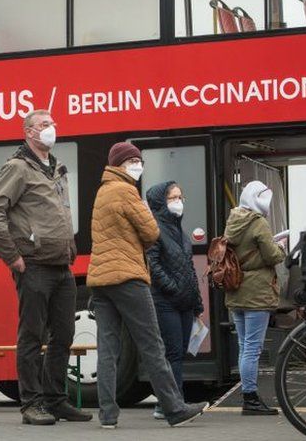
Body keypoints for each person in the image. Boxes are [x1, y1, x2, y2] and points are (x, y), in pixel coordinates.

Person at [87, 142, 208, 429]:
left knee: (107, 348)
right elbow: (152, 231)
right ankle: (174, 408)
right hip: (128, 277)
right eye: (132, 160)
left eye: (139, 160)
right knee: (153, 344)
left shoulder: (102, 191)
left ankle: (107, 415)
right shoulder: (126, 190)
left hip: (100, 280)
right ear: (119, 164)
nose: (137, 165)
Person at [0, 109, 91, 425]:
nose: (51, 129)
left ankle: (56, 400)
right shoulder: (17, 168)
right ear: (28, 132)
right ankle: (31, 403)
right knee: (32, 335)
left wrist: (70, 250)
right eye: (44, 125)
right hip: (33, 266)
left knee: (64, 334)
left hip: (60, 266)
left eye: (52, 124)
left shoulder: (55, 168)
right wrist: (14, 258)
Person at [224, 180, 285, 416]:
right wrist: (281, 247)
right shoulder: (258, 223)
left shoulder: (233, 220)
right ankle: (250, 398)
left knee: (243, 346)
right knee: (252, 348)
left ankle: (248, 395)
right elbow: (272, 257)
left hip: (236, 290)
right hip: (257, 292)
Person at [145, 181, 204, 420]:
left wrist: (197, 301)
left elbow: (189, 268)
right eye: (173, 198)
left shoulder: (179, 229)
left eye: (180, 197)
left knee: (179, 351)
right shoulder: (154, 229)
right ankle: (171, 403)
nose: (179, 202)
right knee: (173, 353)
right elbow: (153, 265)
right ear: (161, 202)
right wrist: (172, 288)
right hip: (166, 301)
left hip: (185, 302)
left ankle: (169, 401)